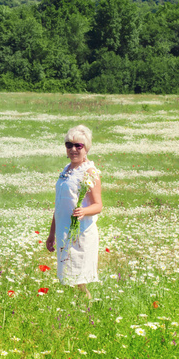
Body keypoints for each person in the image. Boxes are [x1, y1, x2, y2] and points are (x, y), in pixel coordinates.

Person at [45, 125, 102, 299]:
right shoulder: (66, 170)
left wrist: (84, 210)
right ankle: (75, 310)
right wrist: (51, 234)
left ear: (86, 148)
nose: (73, 149)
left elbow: (98, 205)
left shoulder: (90, 172)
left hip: (81, 233)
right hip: (64, 231)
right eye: (69, 145)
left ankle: (87, 309)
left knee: (79, 279)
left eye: (79, 146)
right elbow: (59, 205)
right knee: (68, 277)